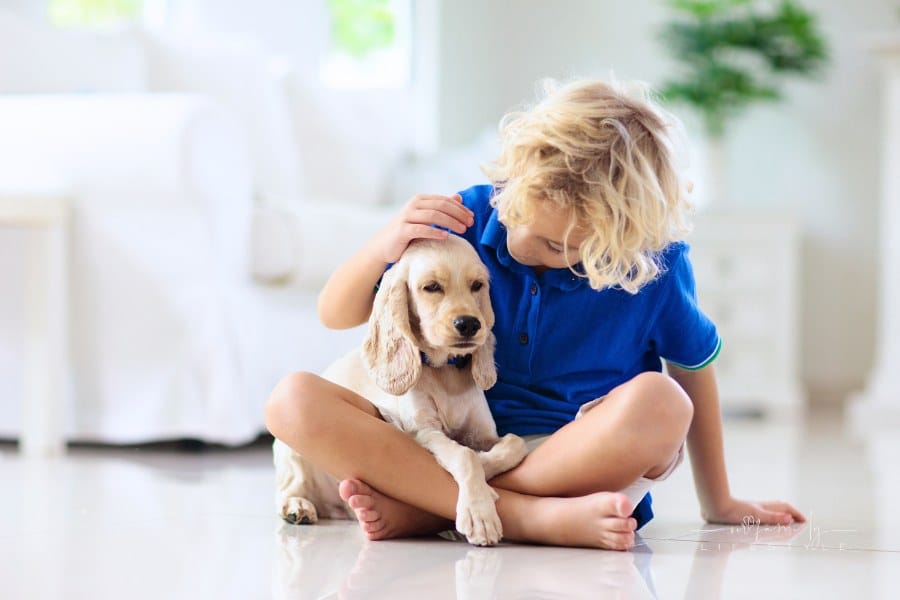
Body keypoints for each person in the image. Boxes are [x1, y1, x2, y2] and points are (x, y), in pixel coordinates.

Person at [264, 78, 806, 550]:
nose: (526, 246)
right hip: (452, 447)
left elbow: (694, 368)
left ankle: (439, 507)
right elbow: (335, 314)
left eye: (556, 248)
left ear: (619, 239)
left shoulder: (652, 263)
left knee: (664, 402)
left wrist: (721, 501)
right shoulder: (464, 215)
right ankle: (524, 518)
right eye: (523, 221)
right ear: (515, 180)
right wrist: (382, 245)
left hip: (572, 458)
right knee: (291, 402)